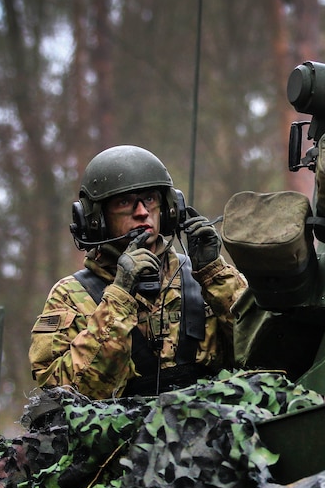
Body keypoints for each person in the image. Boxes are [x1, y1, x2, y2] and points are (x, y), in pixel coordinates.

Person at [30, 145, 247, 399]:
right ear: (96, 220)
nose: (142, 211)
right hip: (120, 435)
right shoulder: (71, 295)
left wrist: (214, 274)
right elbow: (62, 395)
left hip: (208, 428)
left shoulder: (202, 278)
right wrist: (119, 296)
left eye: (150, 199)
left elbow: (261, 355)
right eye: (125, 202)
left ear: (168, 209)